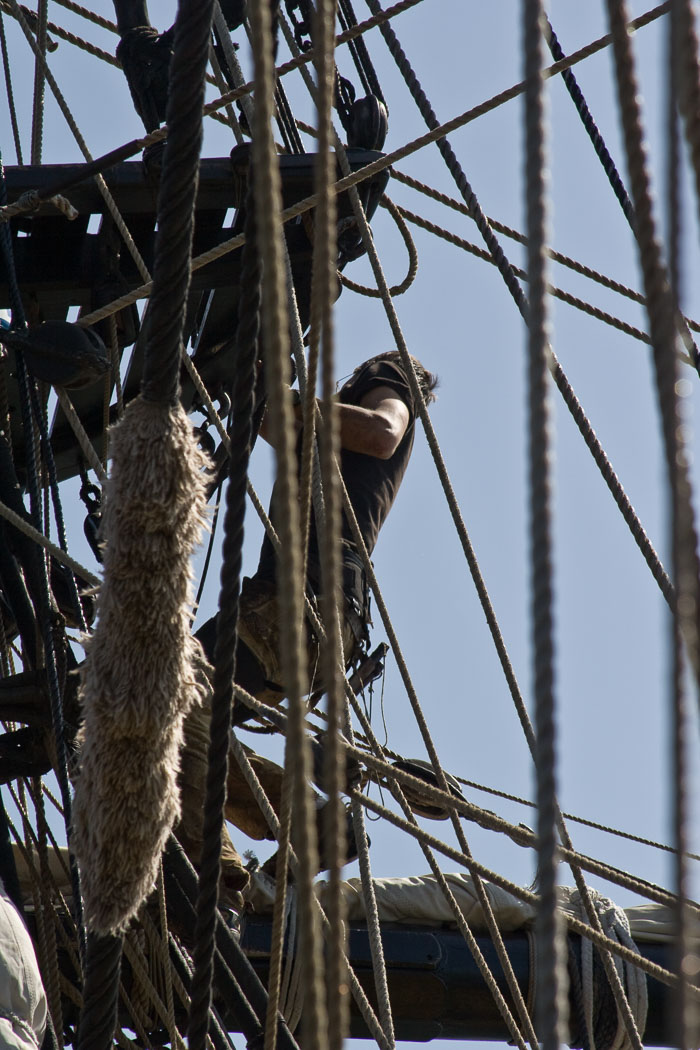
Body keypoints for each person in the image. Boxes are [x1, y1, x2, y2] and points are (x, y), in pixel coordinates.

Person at [178, 350, 438, 897]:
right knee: (182, 717)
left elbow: (383, 433)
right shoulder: (323, 437)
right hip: (306, 614)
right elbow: (270, 419)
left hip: (304, 603)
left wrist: (290, 398)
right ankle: (317, 827)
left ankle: (211, 860)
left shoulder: (388, 386)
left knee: (165, 689)